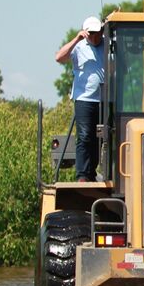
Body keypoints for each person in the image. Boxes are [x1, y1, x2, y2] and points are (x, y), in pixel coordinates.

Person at [55, 15, 106, 181]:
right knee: (85, 136)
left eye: (98, 33)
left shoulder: (108, 45)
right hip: (84, 99)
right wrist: (76, 38)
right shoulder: (78, 46)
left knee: (102, 137)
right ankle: (82, 175)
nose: (95, 37)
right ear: (85, 33)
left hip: (104, 100)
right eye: (91, 33)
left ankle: (92, 171)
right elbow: (59, 57)